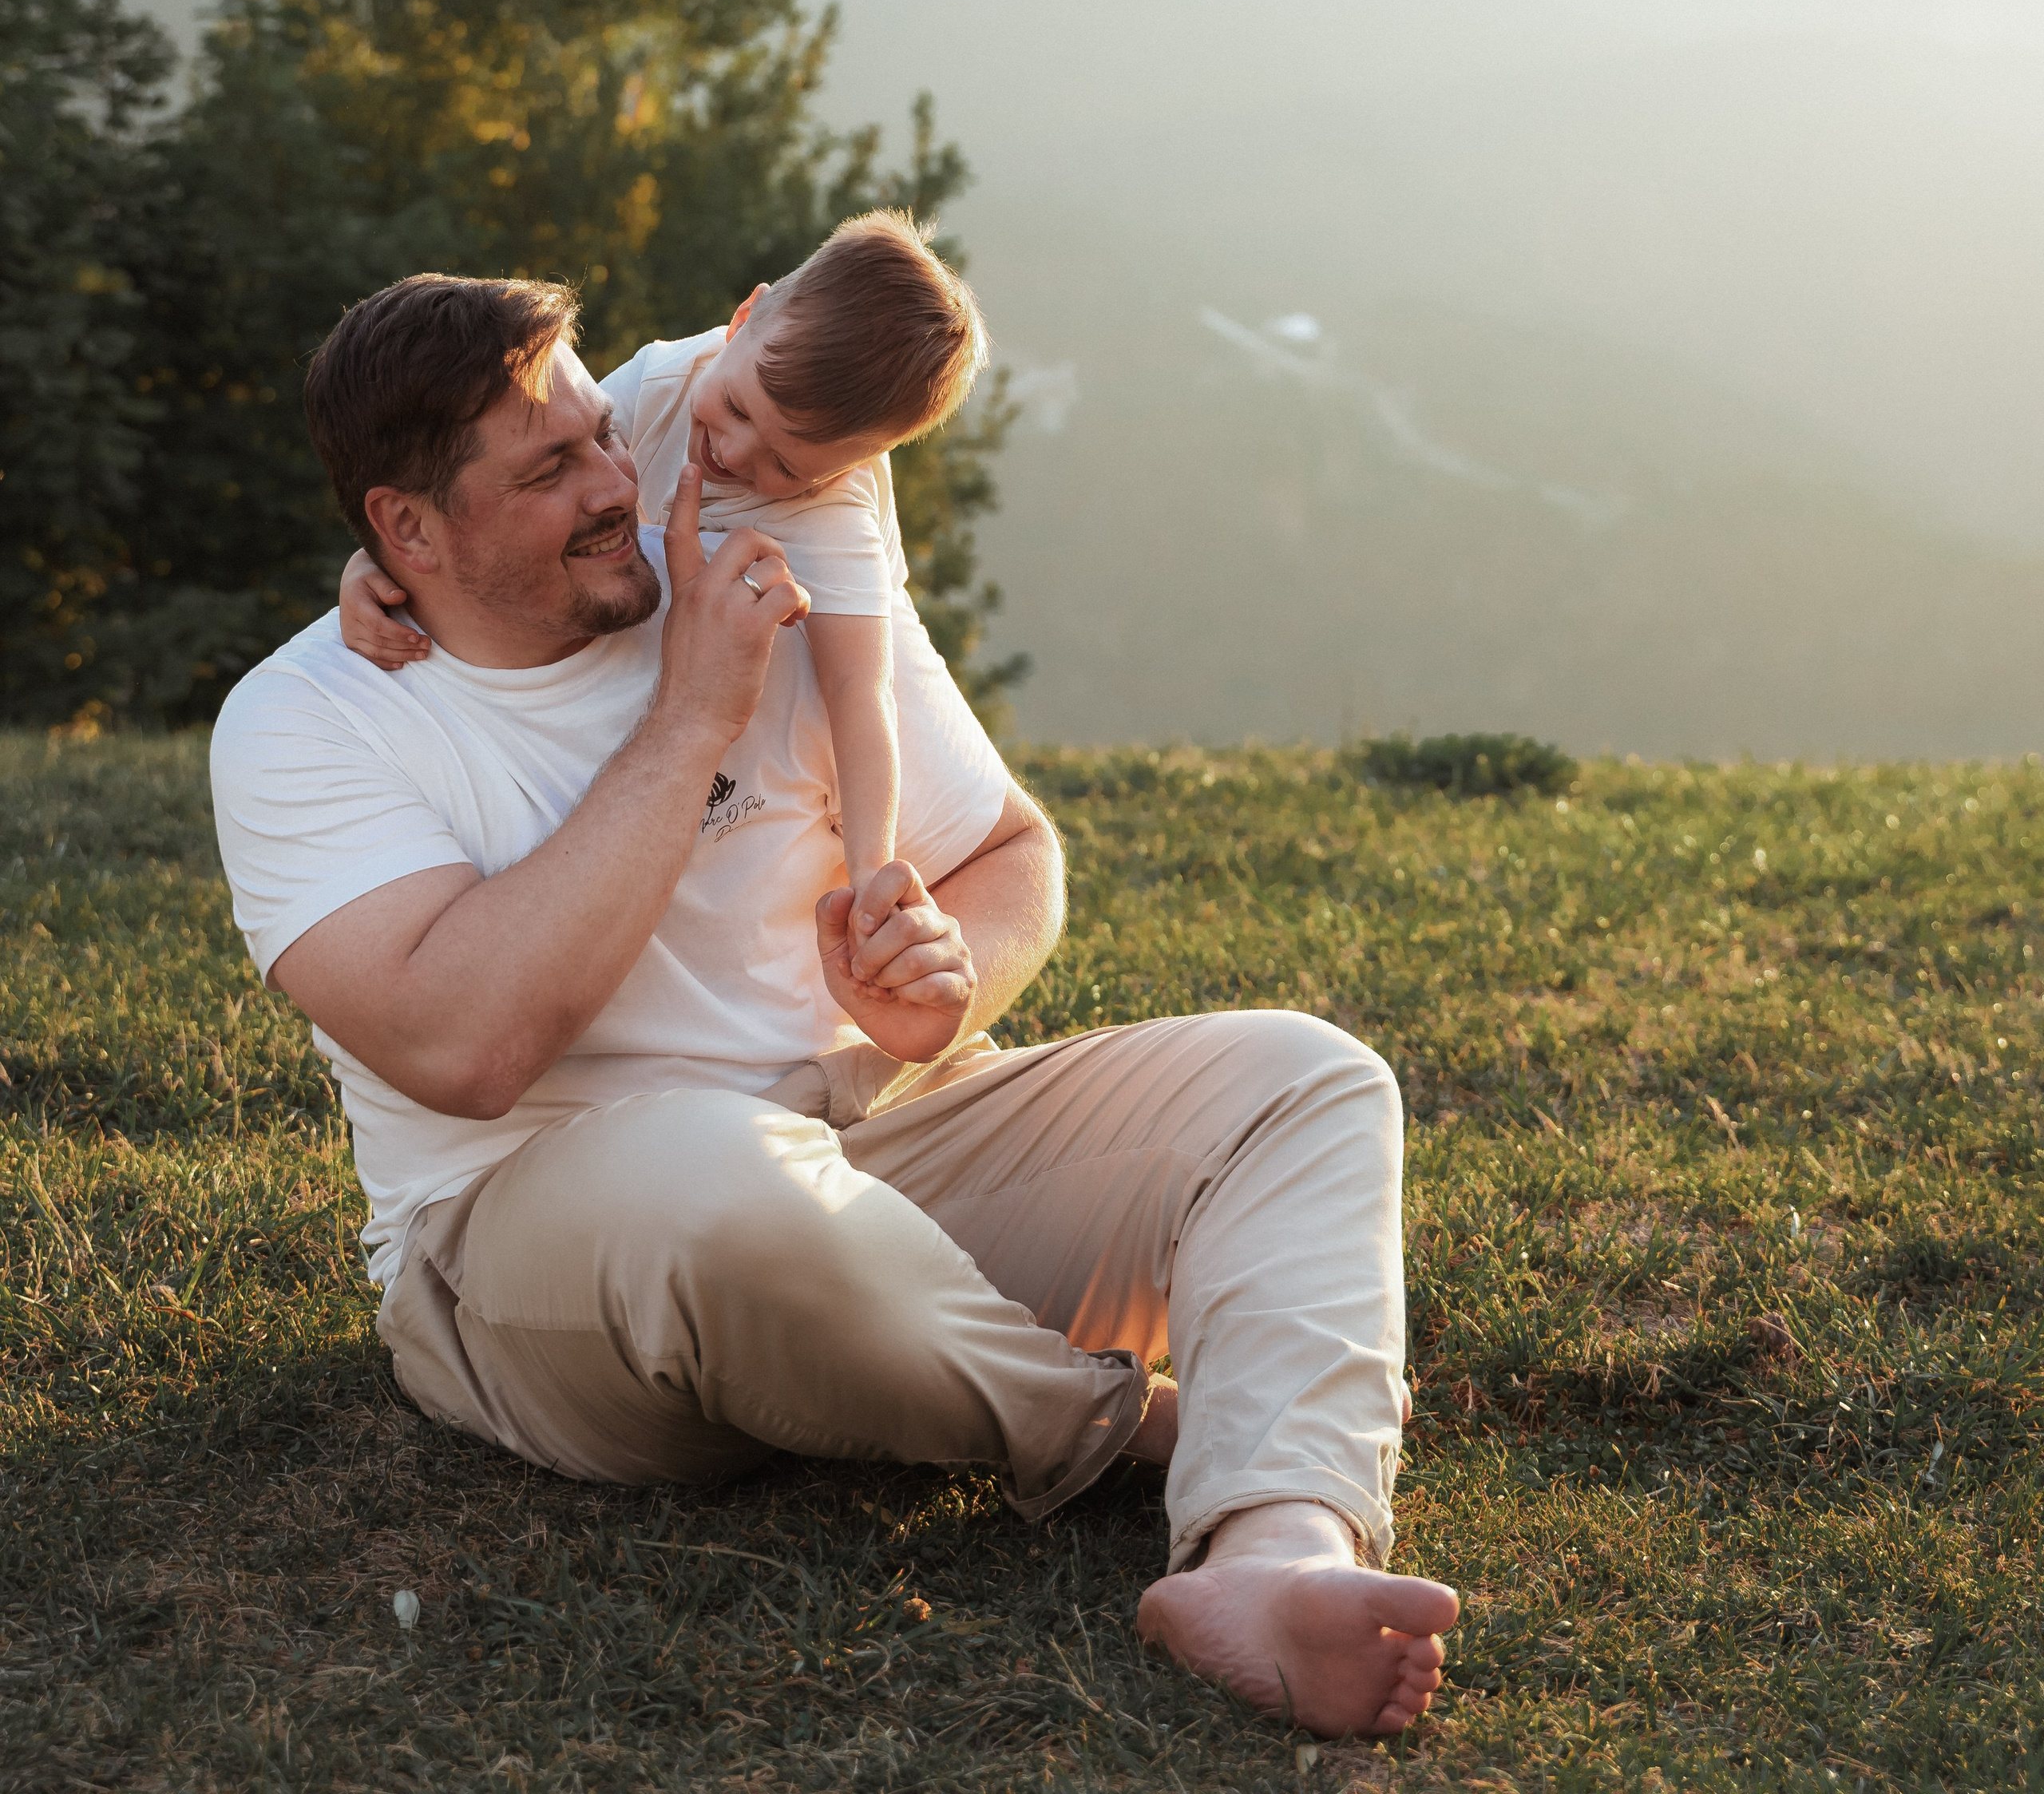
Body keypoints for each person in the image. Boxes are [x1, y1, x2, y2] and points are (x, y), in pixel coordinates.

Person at [209, 271, 1458, 1740]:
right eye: (550, 471)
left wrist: (945, 977)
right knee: (708, 1177)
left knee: (1304, 1080)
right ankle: (1125, 1424)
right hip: (538, 1235)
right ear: (404, 530)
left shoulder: (757, 545)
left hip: (862, 1138)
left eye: (607, 434)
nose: (621, 483)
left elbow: (1007, 853)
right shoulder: (309, 719)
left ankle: (1273, 1552)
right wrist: (691, 716)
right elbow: (464, 1047)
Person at [339, 212, 982, 1028]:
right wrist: (376, 562)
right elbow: (493, 499)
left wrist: (873, 870)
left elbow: (862, 690)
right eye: (739, 406)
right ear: (742, 320)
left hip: (820, 655)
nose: (738, 452)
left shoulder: (833, 512)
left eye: (785, 462)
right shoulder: (659, 382)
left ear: (851, 465)